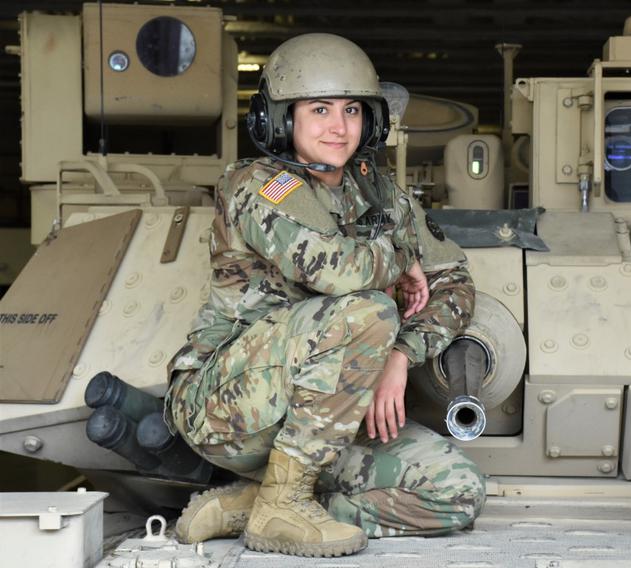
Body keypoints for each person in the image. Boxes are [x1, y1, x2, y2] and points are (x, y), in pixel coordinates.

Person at [164, 33, 485, 557]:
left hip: (326, 424)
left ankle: (265, 504)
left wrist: (402, 355)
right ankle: (284, 502)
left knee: (456, 492)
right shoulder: (260, 187)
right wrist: (405, 257)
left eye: (353, 109)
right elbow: (341, 272)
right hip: (228, 407)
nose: (340, 127)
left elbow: (455, 282)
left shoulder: (376, 191)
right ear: (281, 119)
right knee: (370, 309)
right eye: (319, 109)